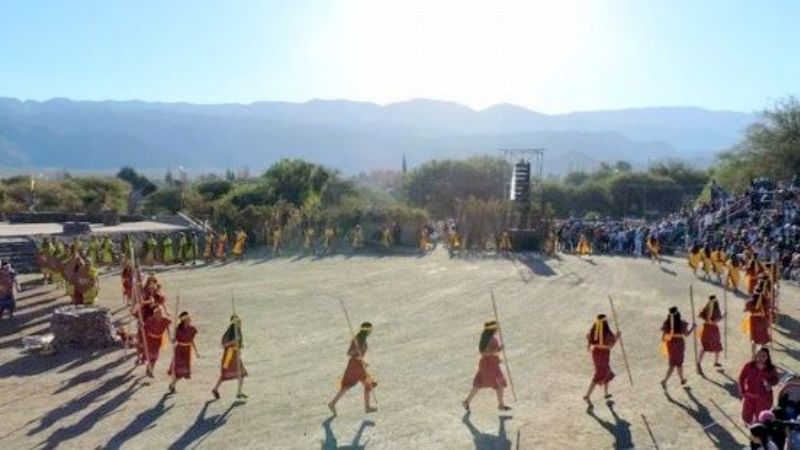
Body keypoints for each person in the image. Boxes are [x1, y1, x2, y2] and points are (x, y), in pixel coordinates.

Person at [328, 322, 377, 415]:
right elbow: (349, 353)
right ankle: (333, 403)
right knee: (353, 385)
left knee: (366, 384)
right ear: (367, 331)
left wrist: (363, 362)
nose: (371, 332)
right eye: (370, 330)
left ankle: (333, 403)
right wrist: (355, 351)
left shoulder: (363, 340)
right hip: (354, 366)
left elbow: (360, 356)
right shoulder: (356, 340)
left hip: (358, 365)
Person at [463, 320, 511, 412]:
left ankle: (467, 401)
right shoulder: (488, 339)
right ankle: (500, 405)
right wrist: (497, 351)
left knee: (481, 383)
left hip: (491, 363)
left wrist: (498, 352)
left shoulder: (489, 338)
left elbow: (491, 352)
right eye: (496, 328)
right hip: (488, 365)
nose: (497, 329)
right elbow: (484, 353)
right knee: (497, 383)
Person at [583, 314, 620, 405]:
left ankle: (606, 394)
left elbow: (587, 336)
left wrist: (592, 344)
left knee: (606, 371)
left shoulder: (594, 330)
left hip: (596, 353)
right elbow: (610, 346)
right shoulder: (607, 333)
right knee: (600, 374)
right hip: (603, 354)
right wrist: (617, 337)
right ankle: (587, 395)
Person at [739, 347, 779, 425]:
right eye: (759, 355)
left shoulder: (771, 368)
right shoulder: (749, 366)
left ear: (767, 357)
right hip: (749, 396)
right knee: (746, 416)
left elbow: (776, 380)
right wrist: (742, 391)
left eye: (764, 356)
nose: (761, 358)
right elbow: (741, 378)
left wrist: (770, 383)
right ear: (755, 355)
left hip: (764, 397)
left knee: (761, 418)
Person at [212, 314, 247, 399]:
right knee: (224, 374)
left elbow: (239, 343)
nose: (240, 322)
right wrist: (234, 341)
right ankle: (215, 389)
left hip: (236, 354)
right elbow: (224, 344)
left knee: (241, 373)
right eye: (238, 321)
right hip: (229, 355)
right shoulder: (229, 332)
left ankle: (239, 392)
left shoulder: (238, 331)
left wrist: (240, 346)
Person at [660, 306, 695, 388]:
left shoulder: (666, 323)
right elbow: (686, 334)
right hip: (679, 344)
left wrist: (670, 337)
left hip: (671, 344)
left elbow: (663, 338)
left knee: (674, 363)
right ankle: (665, 380)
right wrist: (693, 327)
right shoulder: (682, 323)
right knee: (677, 363)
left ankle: (682, 379)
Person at [168, 311, 199, 394]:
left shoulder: (192, 329)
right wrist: (173, 340)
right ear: (184, 320)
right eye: (188, 318)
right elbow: (174, 340)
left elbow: (191, 340)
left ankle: (172, 384)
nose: (190, 319)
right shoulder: (178, 329)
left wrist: (196, 351)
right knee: (178, 370)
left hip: (187, 351)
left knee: (183, 371)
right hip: (179, 350)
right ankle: (172, 385)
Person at [744, 276, 772, 355]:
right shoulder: (766, 300)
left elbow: (746, 309)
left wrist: (754, 311)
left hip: (754, 320)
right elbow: (768, 311)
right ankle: (762, 354)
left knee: (754, 338)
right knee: (764, 339)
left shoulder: (751, 300)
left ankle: (753, 355)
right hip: (762, 321)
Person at [143, 306, 173, 378]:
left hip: (158, 340)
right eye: (156, 313)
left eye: (159, 313)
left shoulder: (164, 320)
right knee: (150, 356)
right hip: (150, 340)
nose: (157, 314)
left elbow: (167, 327)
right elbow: (145, 328)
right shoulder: (150, 320)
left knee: (155, 356)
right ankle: (149, 368)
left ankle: (151, 370)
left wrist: (170, 337)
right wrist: (142, 326)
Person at [697, 295, 723, 375]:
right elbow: (714, 321)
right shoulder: (714, 310)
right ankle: (699, 363)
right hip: (711, 330)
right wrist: (723, 316)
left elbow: (700, 316)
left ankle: (715, 362)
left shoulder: (707, 308)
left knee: (715, 346)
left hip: (709, 329)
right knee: (709, 346)